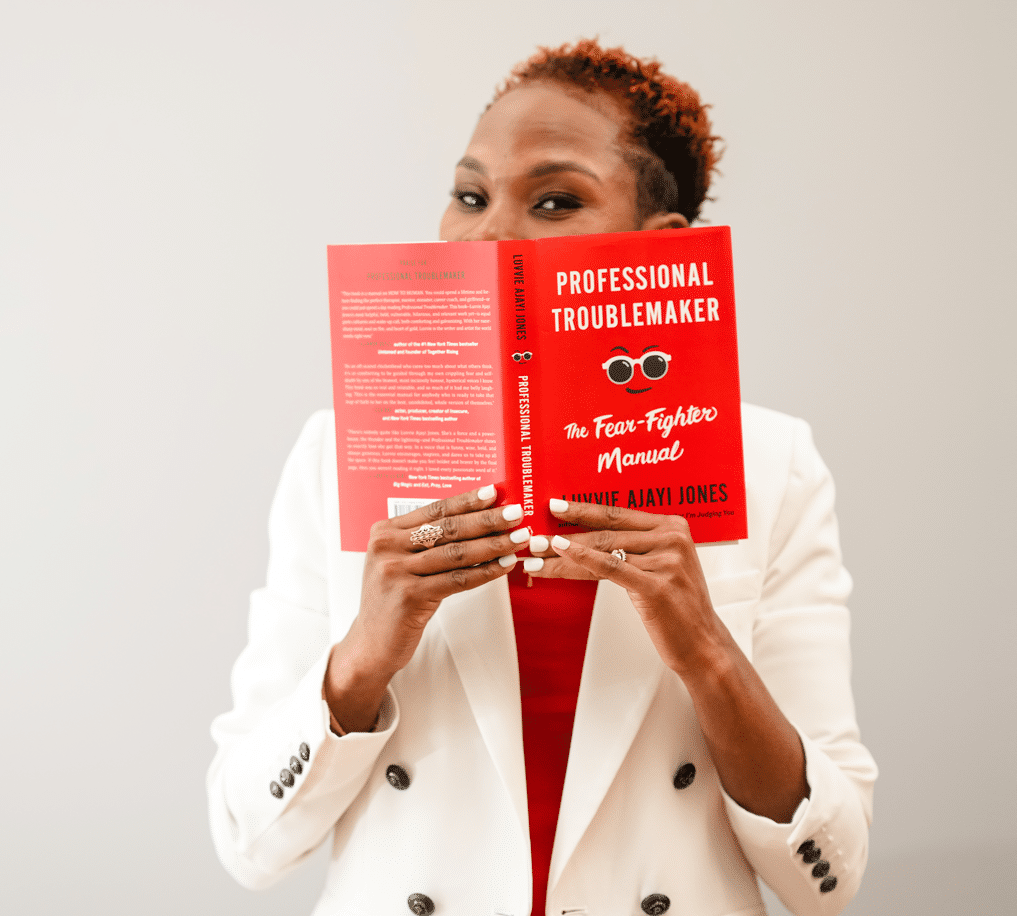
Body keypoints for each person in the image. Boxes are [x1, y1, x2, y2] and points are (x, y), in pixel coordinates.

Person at [206, 40, 875, 916]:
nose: (490, 234)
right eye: (470, 195)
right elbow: (248, 844)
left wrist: (707, 649)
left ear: (659, 251)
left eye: (555, 200)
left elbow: (828, 876)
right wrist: (365, 652)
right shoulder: (340, 458)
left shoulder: (772, 466)